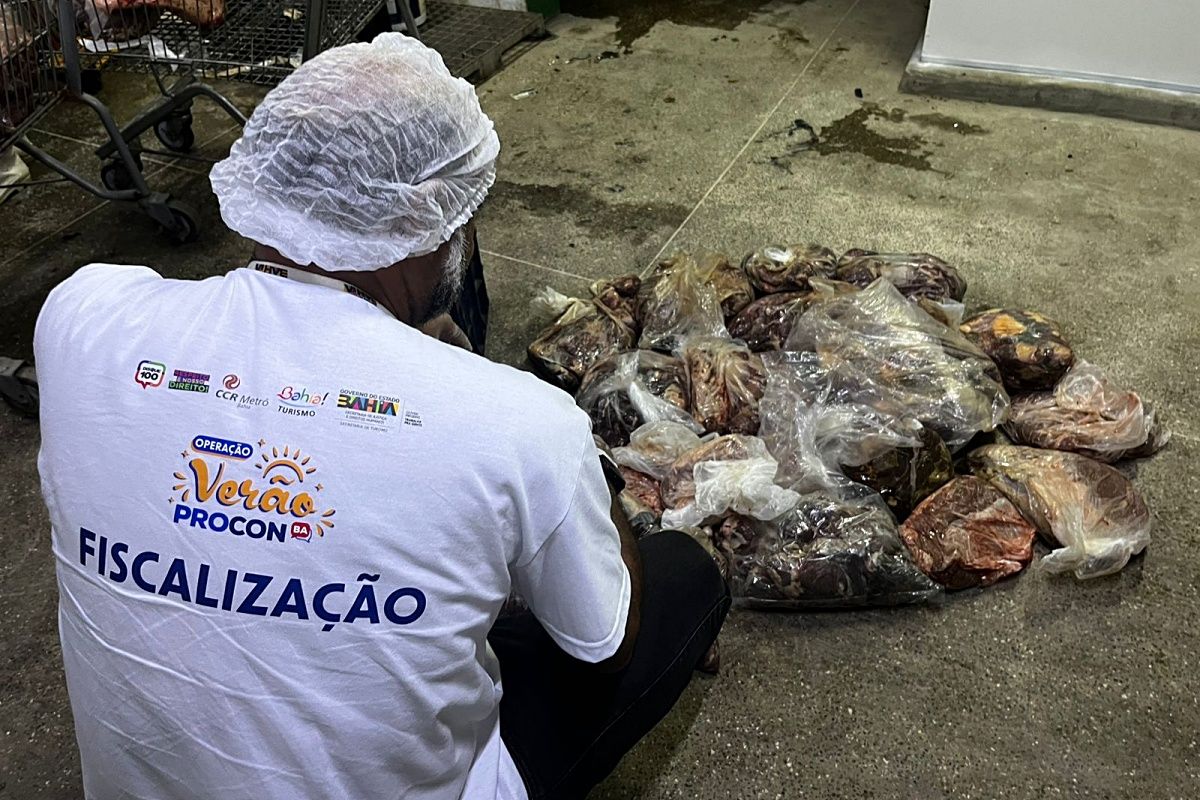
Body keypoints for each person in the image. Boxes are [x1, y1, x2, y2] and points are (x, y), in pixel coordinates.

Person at [34, 33, 729, 800]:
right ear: (434, 228)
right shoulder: (519, 424)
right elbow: (603, 648)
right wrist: (579, 469)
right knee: (683, 576)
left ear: (269, 182)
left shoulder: (80, 318)